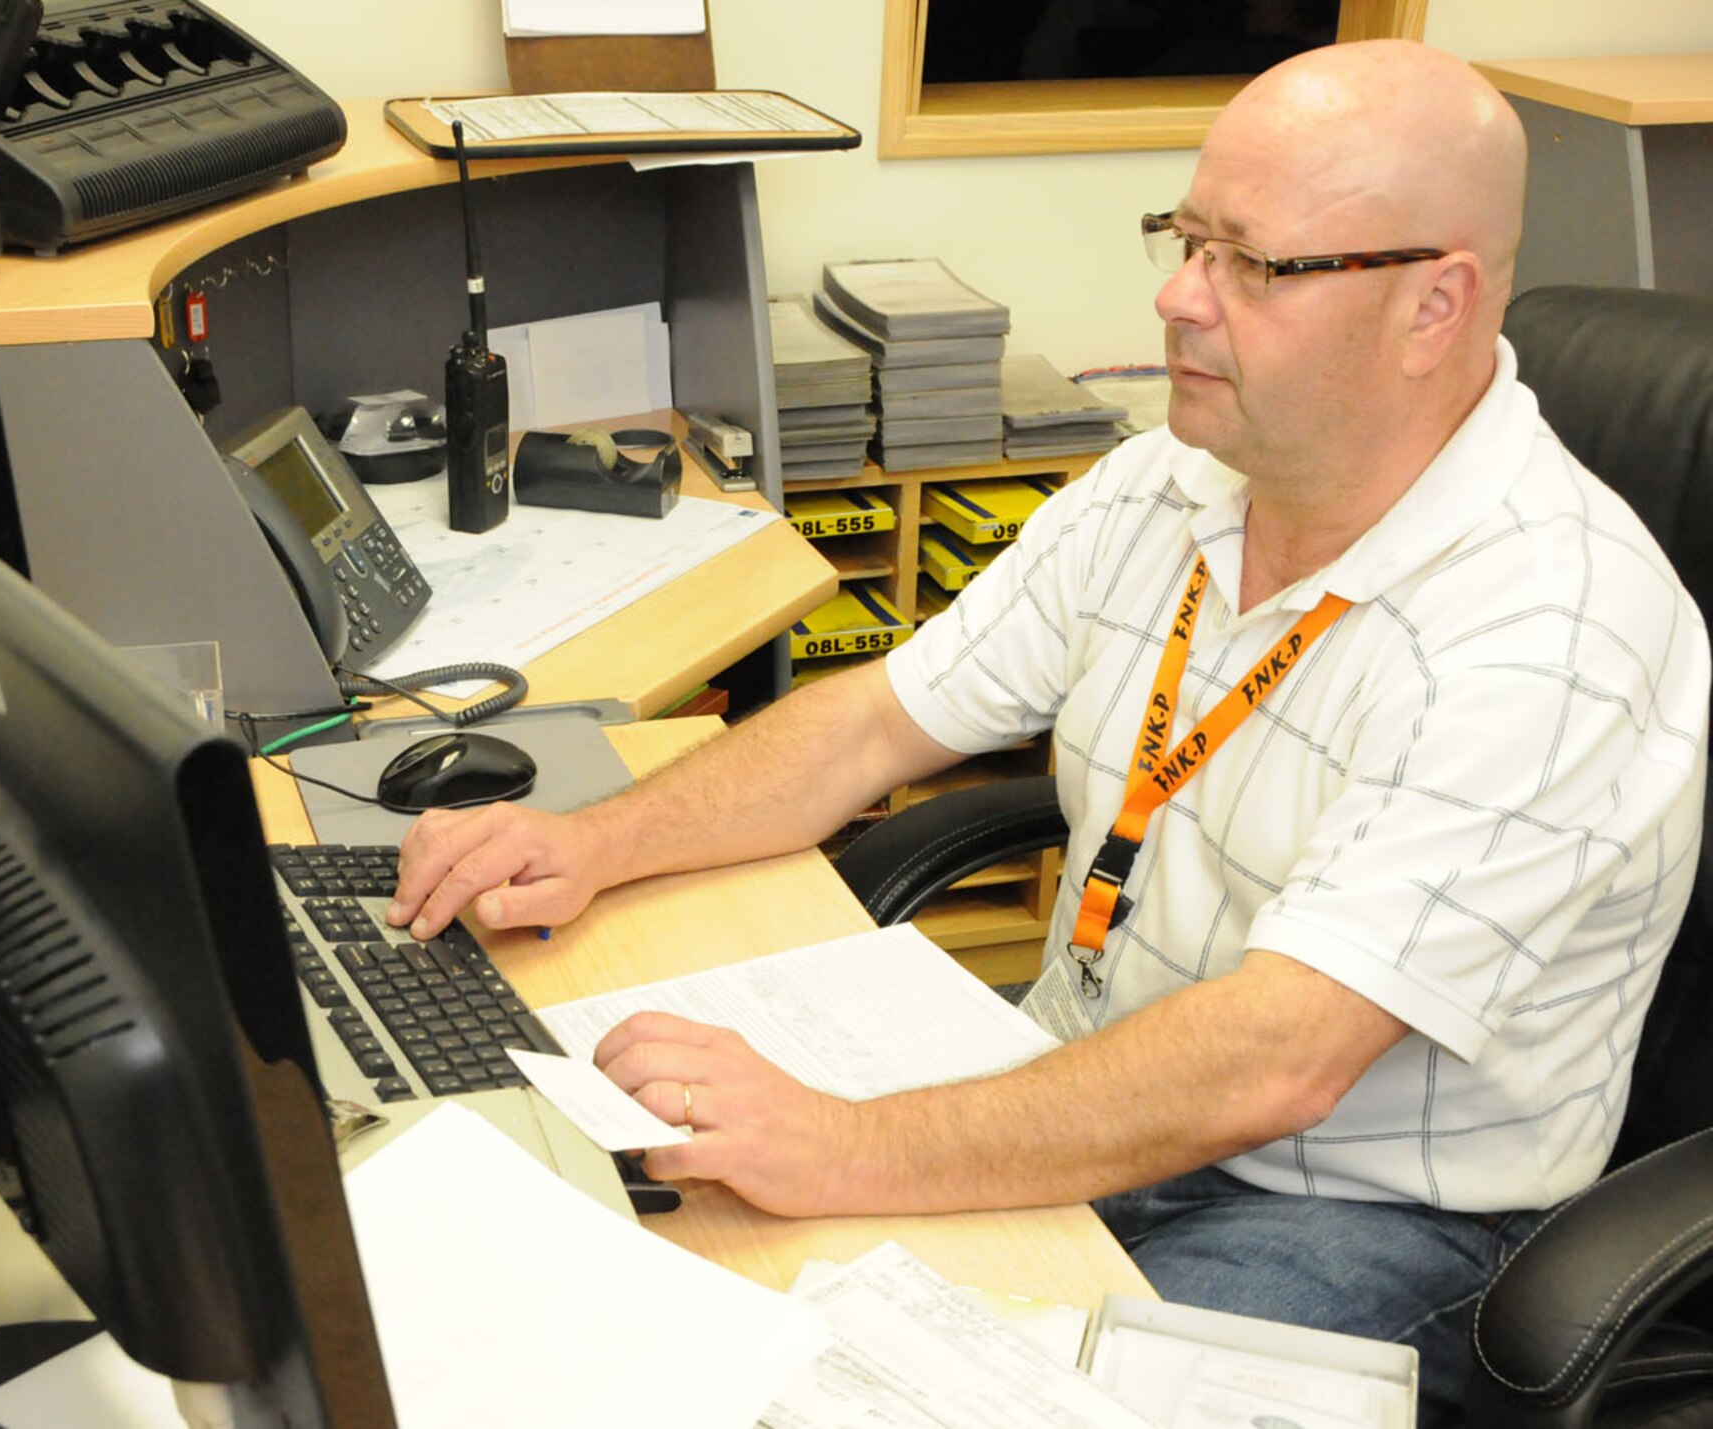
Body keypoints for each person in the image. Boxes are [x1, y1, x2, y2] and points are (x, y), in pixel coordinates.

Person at [387, 39, 1710, 1423]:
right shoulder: (1175, 480)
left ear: (1433, 306)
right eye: (1185, 238)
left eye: (1250, 265)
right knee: (671, 1283)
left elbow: (1277, 1057)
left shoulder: (1553, 632)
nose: (1177, 297)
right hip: (1095, 1070)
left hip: (1379, 1213)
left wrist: (842, 1145)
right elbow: (872, 722)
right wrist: (594, 841)